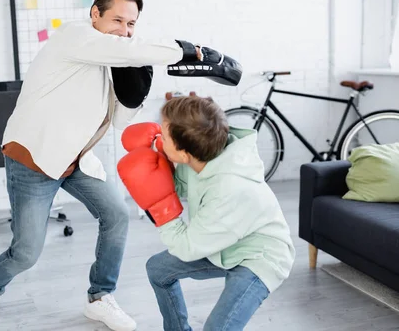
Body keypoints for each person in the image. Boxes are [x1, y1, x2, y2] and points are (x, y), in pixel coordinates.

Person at [0, 0, 242, 331]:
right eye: (117, 21)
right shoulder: (74, 36)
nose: (124, 32)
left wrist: (136, 88)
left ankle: (100, 297)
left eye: (131, 25)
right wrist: (197, 52)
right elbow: (131, 51)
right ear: (94, 14)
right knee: (27, 251)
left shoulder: (113, 58)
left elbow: (119, 120)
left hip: (77, 160)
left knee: (117, 215)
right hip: (33, 160)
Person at [117, 95, 296, 331]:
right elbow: (180, 184)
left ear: (184, 153)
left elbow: (187, 247)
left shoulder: (229, 190)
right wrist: (159, 159)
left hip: (258, 257)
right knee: (158, 270)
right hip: (224, 242)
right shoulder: (203, 155)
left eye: (165, 135)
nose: (159, 134)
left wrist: (161, 209)